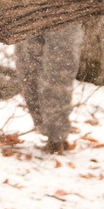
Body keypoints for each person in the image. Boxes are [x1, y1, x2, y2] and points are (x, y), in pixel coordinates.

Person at [14, 22, 85, 153]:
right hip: (27, 9)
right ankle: (48, 129)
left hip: (66, 12)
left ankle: (56, 138)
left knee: (58, 75)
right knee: (28, 73)